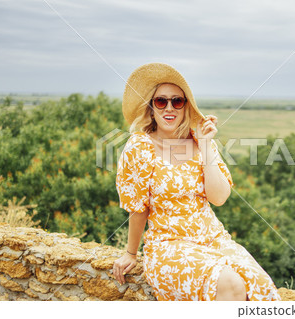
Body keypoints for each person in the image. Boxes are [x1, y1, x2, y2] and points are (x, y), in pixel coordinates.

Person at [113, 63, 280, 301]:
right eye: (161, 101)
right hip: (168, 245)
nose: (169, 108)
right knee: (229, 283)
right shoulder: (139, 147)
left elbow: (219, 198)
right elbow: (137, 207)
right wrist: (131, 253)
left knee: (260, 284)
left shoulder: (201, 143)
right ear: (151, 109)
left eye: (177, 101)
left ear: (185, 107)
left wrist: (204, 144)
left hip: (213, 239)